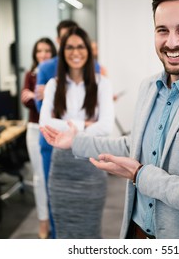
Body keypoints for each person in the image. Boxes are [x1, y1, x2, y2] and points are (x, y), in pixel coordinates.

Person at [41, 0, 179, 239]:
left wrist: (140, 175)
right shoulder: (149, 87)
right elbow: (135, 145)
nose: (172, 41)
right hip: (137, 232)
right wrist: (76, 141)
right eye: (162, 30)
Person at [39, 26, 115, 238]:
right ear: (62, 52)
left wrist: (70, 127)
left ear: (89, 51)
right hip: (61, 171)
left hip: (91, 168)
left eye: (80, 47)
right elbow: (45, 123)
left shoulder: (103, 84)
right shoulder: (54, 85)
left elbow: (106, 127)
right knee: (63, 233)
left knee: (90, 232)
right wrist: (87, 125)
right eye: (70, 47)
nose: (75, 52)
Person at [35, 20, 78, 238]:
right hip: (51, 143)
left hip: (80, 144)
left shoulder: (92, 67)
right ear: (59, 41)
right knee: (55, 195)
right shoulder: (46, 68)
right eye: (65, 40)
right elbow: (42, 110)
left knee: (80, 198)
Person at [20, 37, 57, 239]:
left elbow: (56, 102)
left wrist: (42, 94)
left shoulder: (57, 74)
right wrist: (37, 96)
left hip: (53, 129)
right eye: (39, 51)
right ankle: (43, 221)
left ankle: (55, 218)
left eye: (47, 51)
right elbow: (28, 102)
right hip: (34, 129)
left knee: (53, 177)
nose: (43, 54)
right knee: (40, 178)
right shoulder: (31, 75)